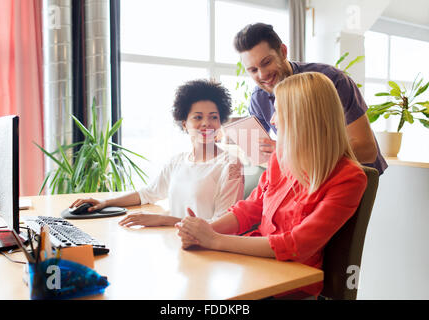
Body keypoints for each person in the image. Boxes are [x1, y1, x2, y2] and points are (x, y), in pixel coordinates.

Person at [176, 72, 368, 297]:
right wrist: (206, 231)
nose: (273, 120)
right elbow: (250, 209)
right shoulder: (280, 157)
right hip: (255, 266)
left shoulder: (349, 177)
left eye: (278, 111)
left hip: (290, 283)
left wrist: (214, 239)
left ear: (301, 118)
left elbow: (297, 244)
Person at [71, 79, 244, 227]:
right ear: (184, 124)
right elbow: (147, 193)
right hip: (175, 243)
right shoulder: (177, 161)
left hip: (207, 250)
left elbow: (223, 223)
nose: (206, 123)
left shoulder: (231, 165)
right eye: (198, 117)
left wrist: (163, 220)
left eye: (213, 117)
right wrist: (105, 202)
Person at [234, 22, 387, 175]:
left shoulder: (331, 80)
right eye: (253, 70)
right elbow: (258, 154)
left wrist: (292, 153)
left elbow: (366, 150)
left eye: (267, 62)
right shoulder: (259, 98)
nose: (262, 75)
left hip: (353, 173)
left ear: (283, 51)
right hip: (306, 175)